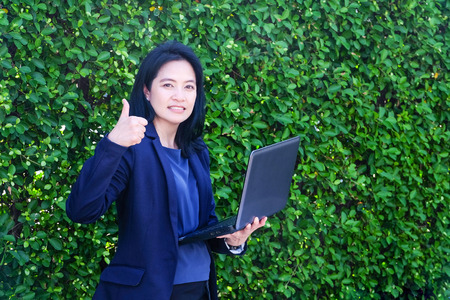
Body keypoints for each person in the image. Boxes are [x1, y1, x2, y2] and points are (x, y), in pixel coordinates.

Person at [66, 40, 267, 300]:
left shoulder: (197, 151)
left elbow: (205, 225)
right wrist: (113, 144)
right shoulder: (131, 147)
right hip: (149, 291)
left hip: (199, 289)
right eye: (168, 85)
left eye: (189, 87)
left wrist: (232, 240)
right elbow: (82, 210)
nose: (180, 96)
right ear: (147, 91)